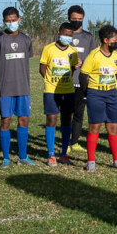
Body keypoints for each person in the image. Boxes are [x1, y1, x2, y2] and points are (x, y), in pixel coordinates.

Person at [0, 6, 35, 166]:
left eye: (14, 20)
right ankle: (6, 158)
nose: (11, 23)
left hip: (23, 88)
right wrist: (4, 73)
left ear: (19, 20)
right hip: (5, 88)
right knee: (5, 121)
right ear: (4, 21)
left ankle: (23, 156)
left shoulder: (26, 39)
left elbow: (27, 58)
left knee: (24, 120)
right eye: (8, 21)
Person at [80, 25, 117, 172]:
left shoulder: (116, 56)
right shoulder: (93, 55)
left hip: (112, 94)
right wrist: (89, 92)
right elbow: (83, 75)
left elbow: (116, 74)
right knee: (95, 126)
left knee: (113, 126)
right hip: (95, 94)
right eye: (114, 40)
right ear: (106, 40)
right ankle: (91, 162)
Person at [39, 23, 80, 166]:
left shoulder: (73, 51)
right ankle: (51, 155)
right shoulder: (48, 49)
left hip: (68, 90)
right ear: (58, 34)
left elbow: (72, 70)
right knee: (51, 119)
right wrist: (50, 81)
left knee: (67, 120)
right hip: (51, 90)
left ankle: (64, 154)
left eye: (70, 35)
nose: (67, 37)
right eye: (64, 34)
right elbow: (42, 69)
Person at [66, 5, 97, 153]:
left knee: (79, 113)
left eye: (80, 19)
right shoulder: (62, 36)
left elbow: (95, 58)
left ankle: (74, 142)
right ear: (69, 18)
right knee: (66, 114)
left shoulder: (88, 37)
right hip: (65, 82)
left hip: (82, 82)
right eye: (74, 19)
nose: (77, 21)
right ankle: (65, 143)